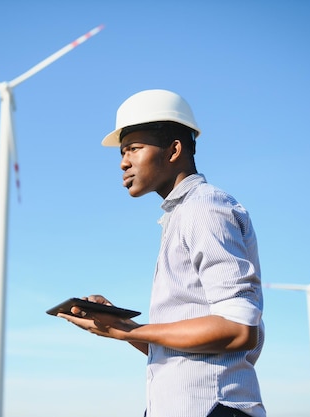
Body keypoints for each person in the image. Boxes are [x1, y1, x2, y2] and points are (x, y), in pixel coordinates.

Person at [58, 89, 266, 417]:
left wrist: (126, 330)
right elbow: (179, 350)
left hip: (213, 408)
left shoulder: (204, 208)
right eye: (122, 153)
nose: (123, 162)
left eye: (134, 149)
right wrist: (118, 325)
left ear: (174, 150)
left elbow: (239, 329)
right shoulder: (179, 215)